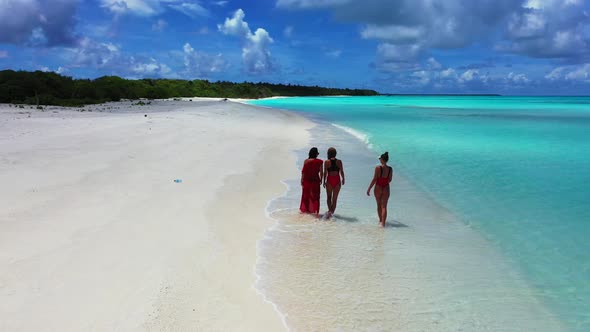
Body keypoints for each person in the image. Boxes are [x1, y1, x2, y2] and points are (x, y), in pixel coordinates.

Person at [367, 152, 393, 227]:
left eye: (380, 159)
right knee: (384, 206)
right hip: (386, 187)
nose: (379, 160)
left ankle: (380, 221)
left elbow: (375, 179)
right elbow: (390, 179)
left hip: (378, 187)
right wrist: (384, 183)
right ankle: (383, 224)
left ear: (382, 159)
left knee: (378, 205)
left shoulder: (378, 168)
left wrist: (369, 188)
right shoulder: (390, 169)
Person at [300, 147, 323, 215]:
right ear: (316, 154)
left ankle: (306, 212)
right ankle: (316, 212)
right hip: (315, 181)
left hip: (306, 181)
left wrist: (301, 180)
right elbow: (322, 172)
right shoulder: (320, 162)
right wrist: (321, 179)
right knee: (316, 197)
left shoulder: (306, 161)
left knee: (306, 196)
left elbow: (303, 172)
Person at [323, 147, 345, 217]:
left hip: (329, 180)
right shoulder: (339, 161)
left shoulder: (326, 162)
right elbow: (341, 171)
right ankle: (331, 213)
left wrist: (324, 181)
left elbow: (325, 173)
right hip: (337, 180)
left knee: (329, 197)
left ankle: (330, 212)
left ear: (328, 154)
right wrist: (343, 179)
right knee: (334, 199)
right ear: (335, 154)